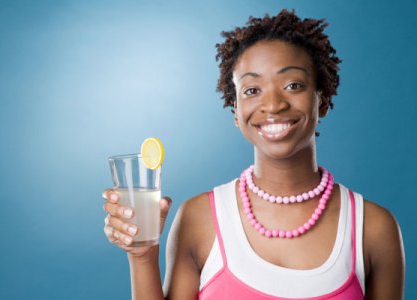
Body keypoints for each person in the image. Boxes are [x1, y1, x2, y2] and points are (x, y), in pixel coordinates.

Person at [102, 9, 405, 299]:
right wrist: (142, 256)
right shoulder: (198, 219)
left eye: (293, 85)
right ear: (235, 112)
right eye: (251, 90)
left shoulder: (374, 228)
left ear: (321, 100)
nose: (273, 105)